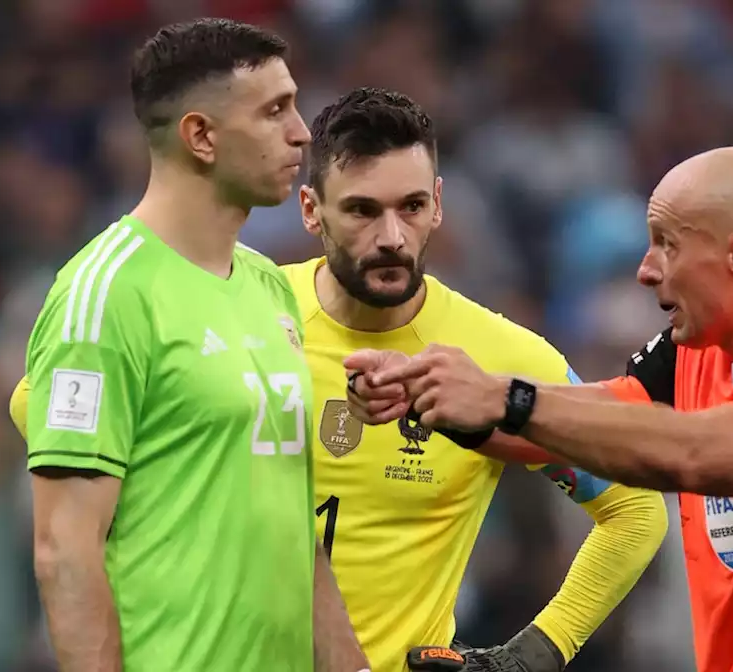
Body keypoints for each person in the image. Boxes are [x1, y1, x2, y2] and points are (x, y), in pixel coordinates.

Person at [348, 146, 733, 672]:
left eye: (667, 243)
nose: (646, 270)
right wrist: (442, 400)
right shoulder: (696, 356)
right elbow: (592, 422)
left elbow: (699, 453)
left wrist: (506, 399)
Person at [10, 20, 368, 672]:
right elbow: (64, 548)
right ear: (200, 135)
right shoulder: (107, 294)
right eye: (274, 110)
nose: (303, 132)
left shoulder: (268, 287)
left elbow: (296, 528)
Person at [284, 87, 666, 672]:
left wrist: (535, 654)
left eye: (411, 207)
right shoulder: (250, 316)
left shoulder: (501, 358)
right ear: (312, 210)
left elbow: (636, 512)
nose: (391, 237)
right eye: (362, 210)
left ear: (438, 203)